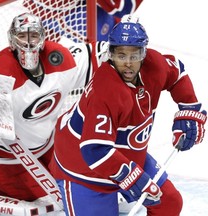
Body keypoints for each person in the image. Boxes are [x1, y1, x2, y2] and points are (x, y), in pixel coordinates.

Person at [0, 12, 107, 210]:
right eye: (22, 36)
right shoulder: (0, 70)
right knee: (44, 204)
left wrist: (121, 52)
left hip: (48, 146)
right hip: (2, 159)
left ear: (43, 37)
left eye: (33, 36)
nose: (28, 43)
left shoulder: (59, 58)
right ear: (12, 39)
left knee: (73, 188)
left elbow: (95, 55)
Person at [49, 15, 207, 216]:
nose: (128, 64)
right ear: (111, 54)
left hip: (127, 155)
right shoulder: (105, 91)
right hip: (84, 169)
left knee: (169, 203)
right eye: (121, 56)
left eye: (134, 55)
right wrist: (132, 177)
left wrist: (189, 109)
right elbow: (94, 150)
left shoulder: (154, 65)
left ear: (143, 53)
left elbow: (178, 74)